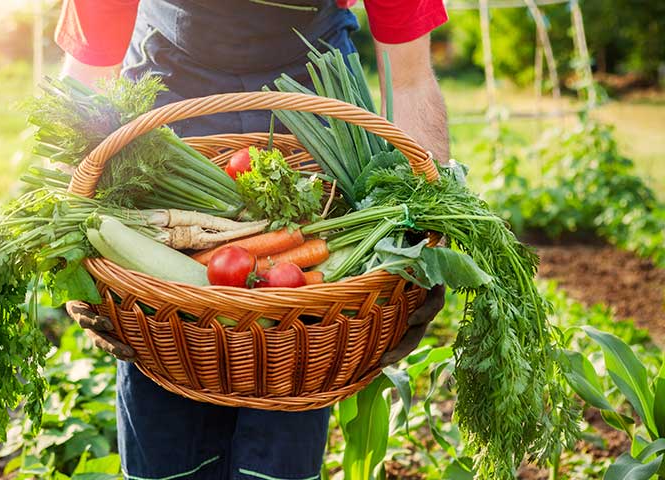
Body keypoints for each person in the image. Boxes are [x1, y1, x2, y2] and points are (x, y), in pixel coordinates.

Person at [58, 1, 449, 478]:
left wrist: (428, 244)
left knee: (298, 362)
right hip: (168, 127)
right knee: (166, 354)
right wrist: (72, 250)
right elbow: (90, 74)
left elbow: (408, 78)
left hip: (315, 118)